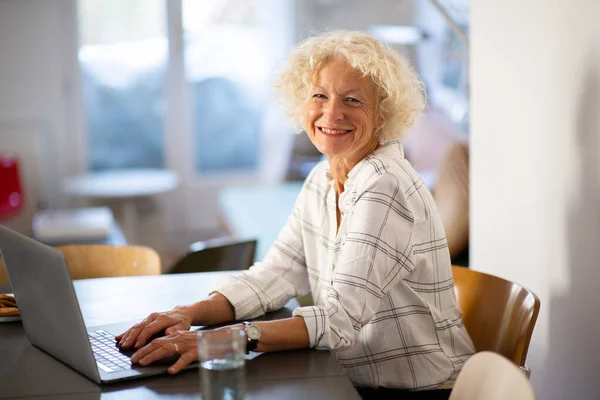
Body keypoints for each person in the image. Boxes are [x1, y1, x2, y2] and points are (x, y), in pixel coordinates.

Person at [116, 30, 475, 399]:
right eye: (319, 95)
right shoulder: (323, 176)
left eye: (352, 100)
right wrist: (189, 314)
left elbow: (338, 321)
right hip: (352, 374)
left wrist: (225, 340)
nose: (331, 113)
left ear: (383, 113)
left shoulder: (384, 186)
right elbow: (278, 273)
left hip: (418, 388)